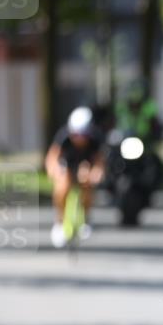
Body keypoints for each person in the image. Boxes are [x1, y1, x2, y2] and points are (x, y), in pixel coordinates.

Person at [44, 106, 105, 248]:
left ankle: (86, 218)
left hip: (85, 165)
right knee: (62, 188)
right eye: (75, 134)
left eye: (83, 135)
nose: (79, 138)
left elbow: (99, 162)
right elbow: (52, 158)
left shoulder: (96, 139)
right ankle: (59, 222)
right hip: (67, 165)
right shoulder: (63, 136)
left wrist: (96, 173)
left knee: (87, 183)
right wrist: (54, 171)